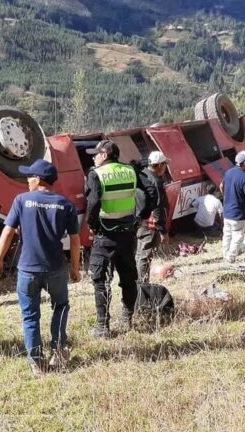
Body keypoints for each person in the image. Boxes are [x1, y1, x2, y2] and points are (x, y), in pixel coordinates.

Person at [0, 160, 80, 375]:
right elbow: (75, 240)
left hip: (28, 269)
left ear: (38, 179)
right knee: (60, 307)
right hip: (56, 267)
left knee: (30, 315)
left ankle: (37, 362)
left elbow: (8, 231)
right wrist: (75, 268)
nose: (27, 181)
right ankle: (59, 352)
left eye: (29, 177)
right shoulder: (66, 204)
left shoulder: (21, 200)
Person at [84, 140, 156, 338]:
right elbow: (151, 190)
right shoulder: (130, 171)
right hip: (127, 234)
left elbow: (93, 203)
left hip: (105, 234)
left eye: (95, 154)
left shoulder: (96, 174)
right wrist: (142, 215)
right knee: (128, 277)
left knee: (99, 279)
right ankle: (126, 318)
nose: (93, 158)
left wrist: (93, 225)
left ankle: (102, 327)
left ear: (104, 154)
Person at [135, 151, 170, 284]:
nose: (166, 167)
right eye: (165, 164)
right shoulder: (156, 181)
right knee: (145, 256)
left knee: (139, 254)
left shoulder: (143, 174)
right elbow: (158, 208)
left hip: (140, 221)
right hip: (150, 225)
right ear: (160, 165)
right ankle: (143, 284)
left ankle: (137, 282)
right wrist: (163, 231)